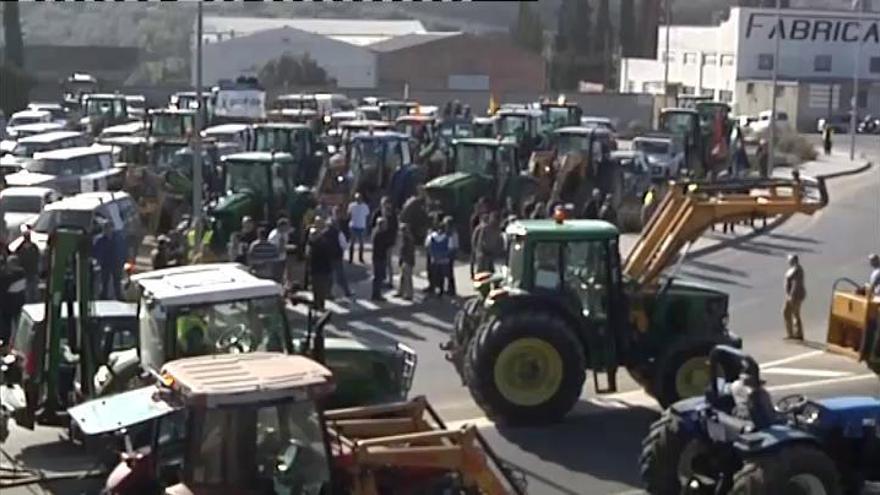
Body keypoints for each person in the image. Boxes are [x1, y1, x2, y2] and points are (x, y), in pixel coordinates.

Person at [307, 217, 334, 311]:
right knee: (316, 288)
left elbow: (326, 256)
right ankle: (317, 304)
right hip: (317, 269)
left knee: (320, 289)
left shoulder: (322, 243)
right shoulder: (314, 243)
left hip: (321, 269)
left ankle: (320, 305)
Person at [371, 197, 398, 287]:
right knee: (380, 261)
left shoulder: (392, 215)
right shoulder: (378, 213)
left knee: (388, 261)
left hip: (389, 240)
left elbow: (395, 228)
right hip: (380, 240)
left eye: (388, 204)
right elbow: (372, 224)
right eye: (384, 204)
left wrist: (394, 240)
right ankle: (381, 279)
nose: (387, 206)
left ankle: (390, 281)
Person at [327, 209, 352, 298]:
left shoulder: (325, 233)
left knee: (329, 275)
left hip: (328, 257)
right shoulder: (339, 233)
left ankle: (328, 293)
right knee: (340, 275)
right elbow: (344, 245)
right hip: (337, 256)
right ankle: (347, 292)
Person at [93, 223, 121, 300]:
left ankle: (118, 296)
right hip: (105, 263)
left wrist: (123, 259)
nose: (108, 230)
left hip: (115, 262)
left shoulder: (117, 239)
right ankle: (103, 296)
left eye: (109, 228)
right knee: (104, 280)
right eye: (106, 229)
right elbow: (95, 251)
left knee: (117, 280)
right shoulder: (100, 240)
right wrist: (97, 260)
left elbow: (122, 250)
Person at [783, 254, 806, 340]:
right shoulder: (793, 269)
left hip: (795, 295)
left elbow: (795, 285)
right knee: (787, 312)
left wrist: (791, 296)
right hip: (791, 295)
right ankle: (792, 334)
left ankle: (797, 334)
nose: (788, 261)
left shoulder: (797, 270)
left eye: (790, 260)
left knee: (794, 313)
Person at [425, 221, 451, 297]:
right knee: (442, 275)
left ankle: (434, 288)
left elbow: (427, 246)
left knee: (434, 274)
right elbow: (450, 248)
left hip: (434, 259)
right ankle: (441, 290)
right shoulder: (447, 237)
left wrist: (432, 254)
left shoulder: (432, 236)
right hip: (443, 259)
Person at [371, 217, 394, 301]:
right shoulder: (380, 235)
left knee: (378, 277)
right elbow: (386, 246)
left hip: (377, 257)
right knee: (379, 277)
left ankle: (375, 294)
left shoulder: (376, 233)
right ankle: (377, 294)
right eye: (384, 224)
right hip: (380, 257)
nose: (386, 226)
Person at [15, 228, 40, 303]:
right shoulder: (21, 247)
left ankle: (33, 299)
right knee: (27, 287)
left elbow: (37, 257)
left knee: (32, 287)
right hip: (26, 270)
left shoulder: (33, 246)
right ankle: (28, 300)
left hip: (32, 270)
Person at [269, 217, 293, 286]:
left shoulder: (285, 234)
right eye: (287, 226)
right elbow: (274, 249)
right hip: (275, 260)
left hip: (282, 259)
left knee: (282, 278)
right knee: (276, 279)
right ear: (282, 226)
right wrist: (287, 248)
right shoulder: (274, 236)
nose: (288, 228)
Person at [347, 193, 370, 264]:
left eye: (359, 198)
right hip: (353, 226)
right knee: (352, 243)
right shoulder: (351, 205)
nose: (358, 199)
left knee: (361, 243)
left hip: (362, 226)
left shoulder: (365, 206)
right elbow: (349, 214)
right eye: (356, 198)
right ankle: (350, 258)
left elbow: (367, 215)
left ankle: (361, 258)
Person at [396, 223, 415, 301]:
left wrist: (404, 260)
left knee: (407, 278)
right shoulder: (405, 239)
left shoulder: (408, 239)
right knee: (402, 277)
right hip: (404, 260)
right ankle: (401, 291)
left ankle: (409, 294)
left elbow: (408, 251)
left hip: (408, 260)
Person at [443, 216, 459, 297]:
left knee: (449, 273)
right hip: (446, 254)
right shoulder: (446, 233)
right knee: (446, 272)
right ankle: (447, 288)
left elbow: (454, 246)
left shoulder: (453, 234)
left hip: (450, 255)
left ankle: (451, 290)